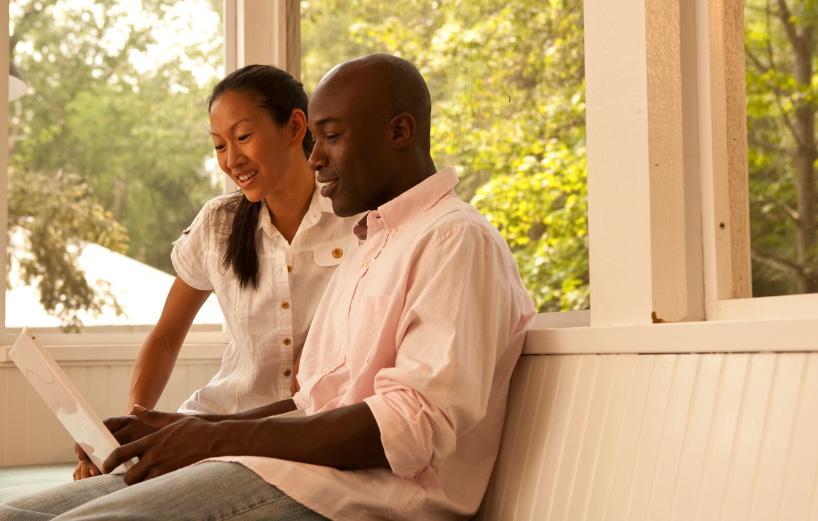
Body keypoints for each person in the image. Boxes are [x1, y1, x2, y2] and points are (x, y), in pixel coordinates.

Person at [0, 54, 535, 521]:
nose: (317, 155)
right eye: (317, 139)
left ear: (399, 132)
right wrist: (178, 429)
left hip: (366, 495)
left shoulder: (455, 240)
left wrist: (213, 437)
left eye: (331, 136)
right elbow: (314, 401)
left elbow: (411, 428)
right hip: (287, 468)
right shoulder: (375, 241)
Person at [73, 64, 360, 479]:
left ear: (296, 127)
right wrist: (136, 425)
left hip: (294, 438)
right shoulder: (218, 223)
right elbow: (167, 335)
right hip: (214, 420)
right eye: (219, 146)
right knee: (69, 498)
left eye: (243, 137)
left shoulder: (358, 219)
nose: (231, 160)